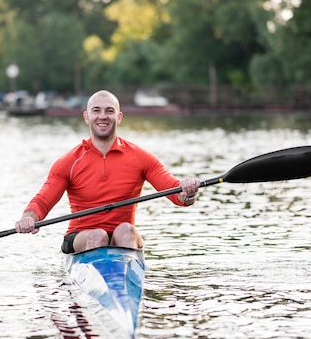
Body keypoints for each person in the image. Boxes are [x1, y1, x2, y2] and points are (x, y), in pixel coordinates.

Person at [15, 90, 201, 253]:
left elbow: (175, 193)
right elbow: (43, 201)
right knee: (98, 236)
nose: (102, 116)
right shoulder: (68, 162)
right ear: (87, 116)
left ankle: (122, 287)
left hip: (123, 238)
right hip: (81, 237)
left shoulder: (140, 157)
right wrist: (28, 218)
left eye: (109, 111)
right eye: (96, 110)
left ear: (119, 117)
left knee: (126, 231)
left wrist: (188, 192)